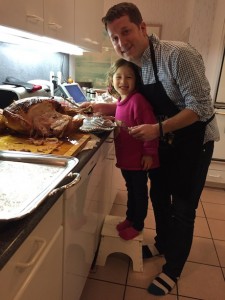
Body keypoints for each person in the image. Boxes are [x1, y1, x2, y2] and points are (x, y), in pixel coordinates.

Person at [81, 2, 220, 296]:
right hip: (164, 141)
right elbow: (136, 103)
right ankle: (163, 243)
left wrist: (157, 129)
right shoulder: (136, 65)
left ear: (142, 28)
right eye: (114, 38)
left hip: (195, 142)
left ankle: (173, 268)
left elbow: (201, 107)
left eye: (126, 31)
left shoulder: (178, 55)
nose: (121, 42)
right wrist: (104, 107)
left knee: (182, 208)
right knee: (158, 194)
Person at [107, 58, 159, 240]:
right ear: (111, 79)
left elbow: (150, 126)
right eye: (118, 77)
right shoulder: (121, 101)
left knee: (139, 192)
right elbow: (124, 123)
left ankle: (138, 224)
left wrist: (149, 154)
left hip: (138, 159)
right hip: (126, 158)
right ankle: (130, 218)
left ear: (136, 80)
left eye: (129, 77)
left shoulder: (137, 101)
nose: (123, 82)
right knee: (130, 189)